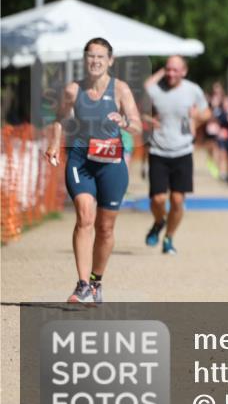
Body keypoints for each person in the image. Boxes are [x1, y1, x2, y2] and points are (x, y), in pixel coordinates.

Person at [45, 38, 143, 303]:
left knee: (106, 228)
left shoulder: (120, 89)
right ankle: (82, 285)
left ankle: (96, 282)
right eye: (91, 56)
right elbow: (59, 119)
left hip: (111, 164)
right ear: (84, 59)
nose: (95, 61)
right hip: (80, 159)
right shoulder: (72, 90)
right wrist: (55, 143)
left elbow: (137, 126)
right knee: (85, 217)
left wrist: (124, 122)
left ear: (110, 60)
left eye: (101, 57)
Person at [143, 56, 211, 254]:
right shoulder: (154, 90)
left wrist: (196, 116)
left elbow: (207, 113)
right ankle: (158, 222)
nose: (171, 74)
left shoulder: (193, 90)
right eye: (168, 69)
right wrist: (148, 119)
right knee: (157, 200)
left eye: (175, 70)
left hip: (183, 151)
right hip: (158, 150)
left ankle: (169, 238)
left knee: (178, 200)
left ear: (184, 71)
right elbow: (137, 110)